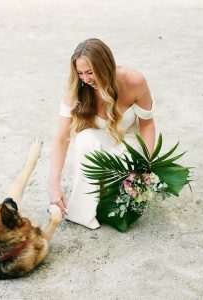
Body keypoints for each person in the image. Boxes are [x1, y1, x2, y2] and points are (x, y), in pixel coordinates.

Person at [49, 38, 155, 229]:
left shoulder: (133, 80)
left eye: (90, 72)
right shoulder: (77, 88)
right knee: (84, 138)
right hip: (97, 146)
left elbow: (147, 124)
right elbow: (61, 138)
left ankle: (111, 197)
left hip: (129, 143)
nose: (86, 79)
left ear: (106, 66)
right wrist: (54, 185)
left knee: (125, 194)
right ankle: (82, 213)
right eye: (80, 73)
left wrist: (146, 165)